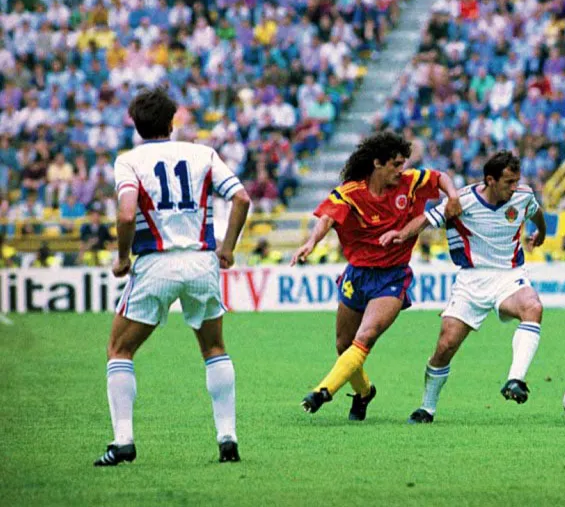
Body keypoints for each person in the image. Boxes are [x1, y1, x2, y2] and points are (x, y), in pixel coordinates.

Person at [94, 87, 251, 467]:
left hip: (155, 263)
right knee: (214, 348)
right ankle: (227, 437)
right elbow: (242, 198)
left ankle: (124, 442)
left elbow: (127, 215)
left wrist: (121, 257)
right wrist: (227, 247)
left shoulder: (129, 162)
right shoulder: (203, 154)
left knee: (120, 350)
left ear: (136, 125)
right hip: (200, 261)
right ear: (172, 121)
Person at [290, 131, 461, 418]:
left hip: (392, 277)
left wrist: (453, 195)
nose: (401, 170)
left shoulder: (409, 183)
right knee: (344, 344)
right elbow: (328, 218)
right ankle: (365, 392)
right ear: (377, 164)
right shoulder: (351, 192)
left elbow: (440, 177)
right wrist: (311, 242)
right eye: (395, 164)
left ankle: (323, 391)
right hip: (356, 276)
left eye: (403, 163)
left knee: (365, 336)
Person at [378, 152, 547, 423]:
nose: (513, 187)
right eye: (508, 182)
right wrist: (400, 234)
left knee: (533, 307)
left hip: (509, 275)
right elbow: (425, 220)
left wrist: (541, 233)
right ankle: (427, 408)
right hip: (471, 280)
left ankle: (515, 379)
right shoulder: (463, 201)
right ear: (490, 180)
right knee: (445, 346)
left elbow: (536, 213)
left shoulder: (522, 196)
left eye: (516, 181)